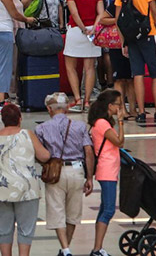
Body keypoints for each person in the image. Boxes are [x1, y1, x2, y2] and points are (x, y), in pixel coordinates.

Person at [0, 102, 51, 256]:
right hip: (26, 189)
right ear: (20, 118)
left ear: (2, 119)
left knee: (3, 229)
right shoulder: (27, 134)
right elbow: (44, 156)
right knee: (26, 229)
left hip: (0, 188)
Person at [34, 92, 94, 256]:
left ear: (49, 109)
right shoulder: (80, 127)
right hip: (76, 171)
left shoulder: (41, 128)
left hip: (55, 173)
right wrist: (89, 177)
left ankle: (66, 250)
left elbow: (39, 154)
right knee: (73, 213)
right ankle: (65, 249)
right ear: (67, 108)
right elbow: (88, 152)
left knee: (57, 210)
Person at [115, 0, 156, 123]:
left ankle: (141, 112)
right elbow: (155, 13)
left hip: (130, 36)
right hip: (148, 33)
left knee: (137, 74)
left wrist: (123, 42)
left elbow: (118, 20)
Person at [87, 89, 124, 256]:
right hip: (107, 170)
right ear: (110, 106)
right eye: (118, 105)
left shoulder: (101, 122)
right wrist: (121, 123)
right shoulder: (102, 123)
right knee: (109, 209)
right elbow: (119, 142)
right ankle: (97, 248)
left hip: (109, 169)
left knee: (104, 209)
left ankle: (97, 246)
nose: (120, 108)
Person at [64, 0, 104, 112]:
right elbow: (101, 12)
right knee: (89, 68)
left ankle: (77, 99)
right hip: (93, 31)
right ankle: (87, 101)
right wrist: (93, 28)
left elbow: (74, 13)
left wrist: (82, 28)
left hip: (76, 30)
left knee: (70, 66)